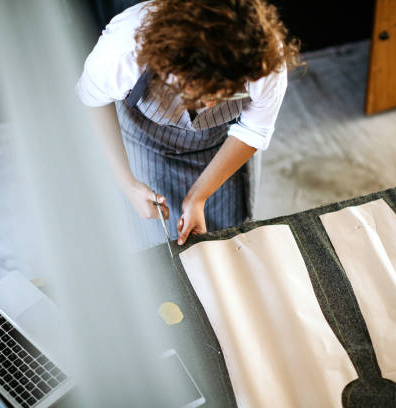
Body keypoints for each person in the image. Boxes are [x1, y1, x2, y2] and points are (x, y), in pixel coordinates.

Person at [76, 0, 299, 250]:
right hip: (147, 144)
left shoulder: (263, 58)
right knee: (160, 242)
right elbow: (93, 101)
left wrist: (198, 196)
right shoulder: (125, 47)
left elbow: (254, 129)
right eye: (200, 92)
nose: (212, 103)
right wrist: (128, 184)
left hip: (223, 144)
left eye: (228, 92)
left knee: (231, 240)